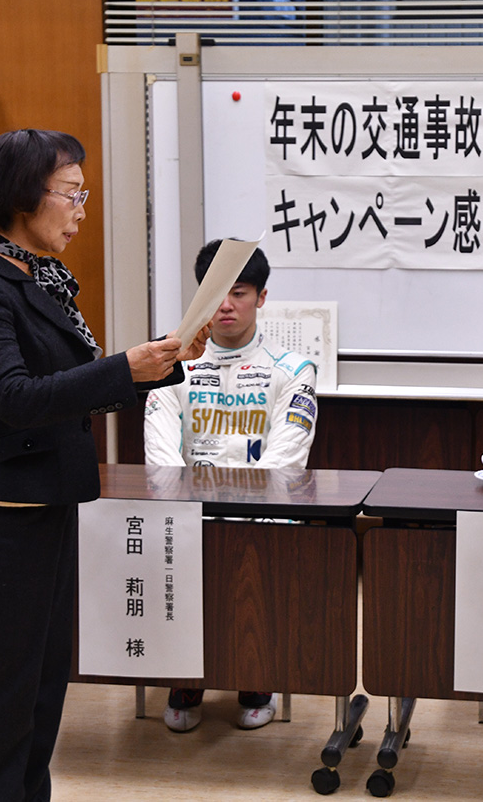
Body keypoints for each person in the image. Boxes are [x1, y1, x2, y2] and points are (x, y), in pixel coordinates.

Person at [0, 128, 207, 802]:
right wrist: (124, 367)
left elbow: (71, 387)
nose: (82, 209)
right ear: (23, 196)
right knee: (2, 697)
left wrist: (159, 364)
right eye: (71, 193)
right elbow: (15, 398)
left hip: (45, 506)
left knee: (39, 689)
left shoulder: (40, 278)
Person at [143, 240, 317, 732]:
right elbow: (160, 452)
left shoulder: (293, 369)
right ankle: (185, 680)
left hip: (261, 516)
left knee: (252, 577)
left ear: (261, 297)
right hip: (188, 513)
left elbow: (287, 457)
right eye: (216, 292)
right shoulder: (170, 363)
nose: (225, 305)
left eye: (239, 293)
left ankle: (256, 677)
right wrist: (186, 511)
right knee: (182, 577)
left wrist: (244, 514)